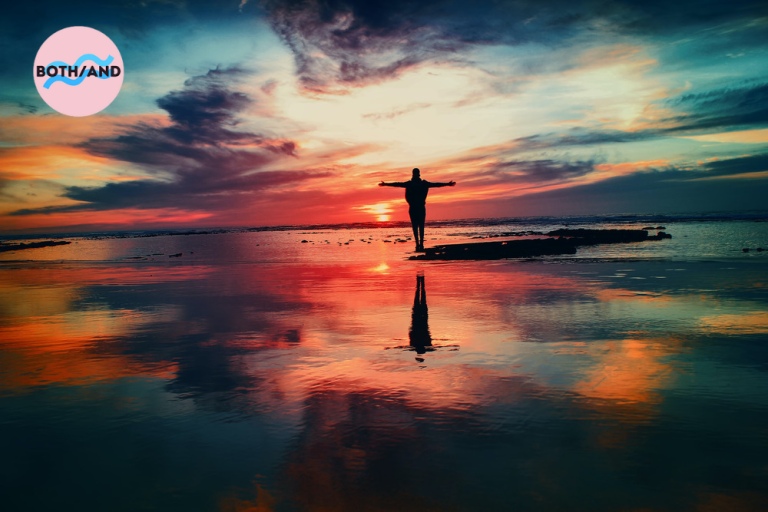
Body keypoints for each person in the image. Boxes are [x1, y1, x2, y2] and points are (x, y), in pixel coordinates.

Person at [379, 168, 456, 251]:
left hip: (416, 207)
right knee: (417, 226)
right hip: (416, 207)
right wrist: (386, 184)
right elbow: (397, 184)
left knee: (418, 226)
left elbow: (436, 184)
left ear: (414, 174)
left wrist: (447, 184)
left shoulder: (416, 183)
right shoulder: (417, 183)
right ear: (418, 174)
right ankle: (418, 243)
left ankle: (420, 243)